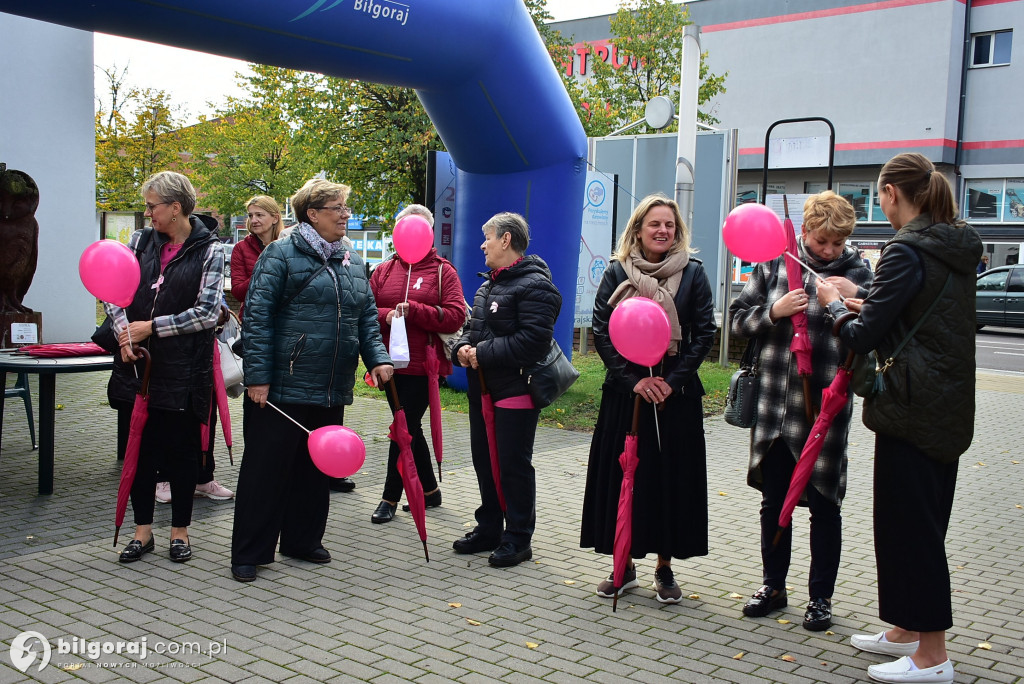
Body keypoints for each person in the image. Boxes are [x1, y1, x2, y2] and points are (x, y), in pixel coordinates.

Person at [817, 153, 981, 684]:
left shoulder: (905, 250)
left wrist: (833, 304)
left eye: (878, 196)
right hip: (943, 403)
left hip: (910, 407)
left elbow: (862, 339)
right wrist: (863, 299)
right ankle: (906, 629)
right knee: (912, 522)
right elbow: (913, 314)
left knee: (914, 531)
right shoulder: (949, 244)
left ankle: (932, 657)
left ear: (891, 193)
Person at [230, 178, 393, 583]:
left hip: (329, 384)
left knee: (315, 469)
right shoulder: (279, 255)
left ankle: (303, 540)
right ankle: (250, 552)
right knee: (265, 471)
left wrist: (378, 359)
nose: (345, 215)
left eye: (345, 207)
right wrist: (258, 377)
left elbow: (366, 318)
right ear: (312, 213)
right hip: (280, 386)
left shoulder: (352, 261)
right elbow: (258, 318)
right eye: (337, 208)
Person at [729, 191, 873, 629]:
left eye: (838, 242)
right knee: (775, 503)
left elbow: (876, 330)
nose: (829, 251)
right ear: (805, 231)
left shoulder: (857, 272)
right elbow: (735, 320)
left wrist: (857, 299)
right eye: (821, 241)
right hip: (775, 407)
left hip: (825, 410)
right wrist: (773, 310)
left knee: (825, 506)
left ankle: (821, 597)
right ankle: (773, 585)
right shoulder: (775, 264)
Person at [579, 194, 716, 603]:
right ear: (637, 229)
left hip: (677, 396)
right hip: (626, 393)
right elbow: (602, 331)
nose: (662, 231)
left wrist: (671, 381)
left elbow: (705, 333)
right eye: (654, 224)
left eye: (669, 225)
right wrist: (633, 381)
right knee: (625, 479)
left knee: (669, 481)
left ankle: (664, 566)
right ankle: (623, 564)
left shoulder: (693, 274)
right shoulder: (616, 271)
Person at [106, 170, 225, 564]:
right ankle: (143, 532)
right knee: (139, 452)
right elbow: (112, 289)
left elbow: (207, 313)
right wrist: (125, 334)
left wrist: (152, 327)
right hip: (137, 367)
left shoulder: (210, 249)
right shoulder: (140, 241)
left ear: (175, 209)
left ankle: (180, 532)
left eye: (152, 206)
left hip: (184, 370)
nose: (147, 213)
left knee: (181, 454)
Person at [451, 212, 561, 568]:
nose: (482, 244)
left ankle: (518, 536)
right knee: (484, 460)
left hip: (516, 387)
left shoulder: (537, 286)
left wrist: (480, 352)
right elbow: (473, 328)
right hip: (481, 388)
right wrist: (461, 349)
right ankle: (489, 528)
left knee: (512, 464)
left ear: (506, 240)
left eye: (488, 237)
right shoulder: (488, 285)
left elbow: (532, 342)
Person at [367, 204, 467, 523]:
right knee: (410, 428)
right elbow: (367, 313)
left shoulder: (442, 270)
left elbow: (455, 315)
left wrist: (418, 311)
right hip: (389, 366)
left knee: (402, 428)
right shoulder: (384, 270)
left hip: (425, 366)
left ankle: (389, 498)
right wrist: (389, 315)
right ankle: (431, 491)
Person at [231, 195, 283, 319]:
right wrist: (265, 269)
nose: (253, 220)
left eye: (259, 215)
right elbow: (238, 293)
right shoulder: (241, 248)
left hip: (285, 322)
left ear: (275, 218)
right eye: (250, 215)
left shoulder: (288, 245)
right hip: (252, 320)